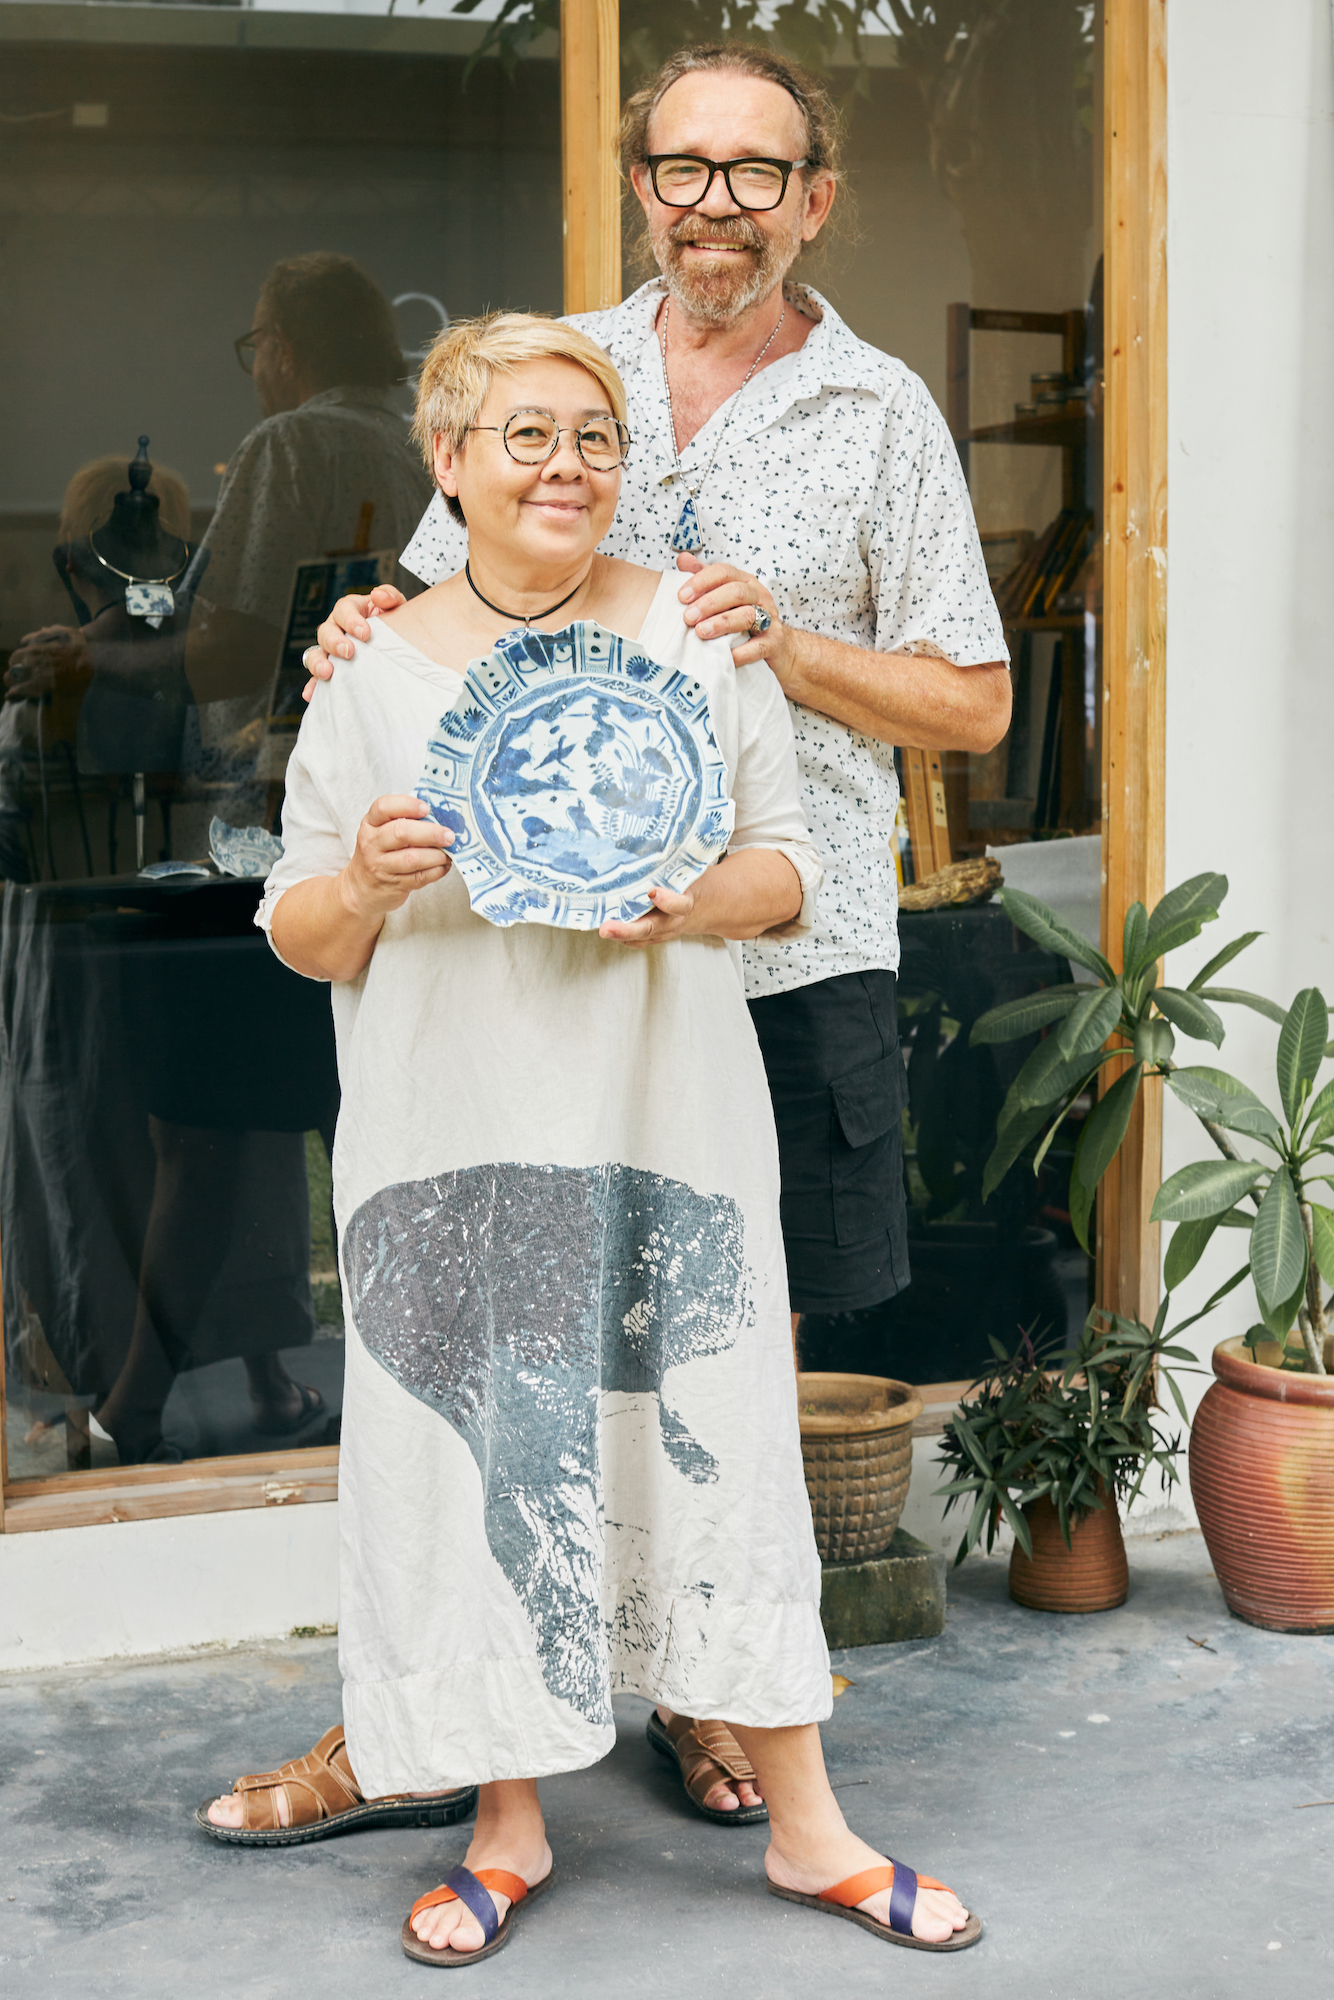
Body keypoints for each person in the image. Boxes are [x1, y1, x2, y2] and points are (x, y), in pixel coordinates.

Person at [198, 312, 978, 1961]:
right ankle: (507, 1820)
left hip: (659, 1114)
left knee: (716, 1443)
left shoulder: (697, 638)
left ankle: (806, 1827)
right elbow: (301, 931)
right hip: (449, 1123)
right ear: (448, 464)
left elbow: (790, 871)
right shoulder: (370, 669)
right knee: (487, 1453)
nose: (564, 465)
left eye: (593, 438)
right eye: (525, 434)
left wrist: (695, 901)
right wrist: (367, 883)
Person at [303, 40, 1011, 1827]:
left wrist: (788, 643)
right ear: (642, 185)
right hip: (526, 977)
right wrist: (349, 647)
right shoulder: (566, 371)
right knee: (503, 1335)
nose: (716, 200)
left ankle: (718, 1698)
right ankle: (441, 1715)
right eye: (684, 166)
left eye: (756, 171)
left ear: (811, 199)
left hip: (773, 939)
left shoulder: (879, 412)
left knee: (723, 1349)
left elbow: (977, 708)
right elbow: (429, 596)